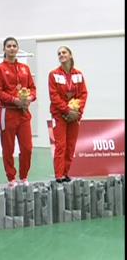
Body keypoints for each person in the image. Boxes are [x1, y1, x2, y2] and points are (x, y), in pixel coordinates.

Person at [0, 37, 36, 188]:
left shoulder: (25, 68)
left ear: (17, 49)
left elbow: (32, 88)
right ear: (4, 49)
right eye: (8, 46)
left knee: (27, 148)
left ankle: (23, 177)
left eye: (14, 46)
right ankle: (11, 178)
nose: (11, 48)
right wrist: (14, 100)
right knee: (8, 148)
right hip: (7, 112)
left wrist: (30, 98)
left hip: (23, 113)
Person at [48, 46, 88, 183]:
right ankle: (59, 175)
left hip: (74, 116)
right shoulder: (53, 74)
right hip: (59, 115)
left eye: (64, 52)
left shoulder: (79, 74)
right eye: (59, 53)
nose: (61, 55)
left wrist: (77, 112)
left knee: (70, 146)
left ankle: (65, 173)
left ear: (70, 55)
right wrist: (66, 111)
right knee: (61, 145)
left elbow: (83, 94)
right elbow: (54, 96)